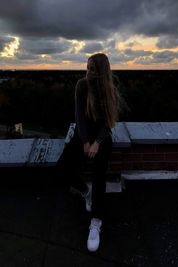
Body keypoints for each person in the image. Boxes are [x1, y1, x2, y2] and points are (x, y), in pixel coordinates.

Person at [57, 53, 124, 252]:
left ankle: (96, 221)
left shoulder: (108, 89)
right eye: (86, 68)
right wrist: (85, 141)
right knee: (62, 169)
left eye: (91, 69)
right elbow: (79, 116)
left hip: (102, 137)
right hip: (83, 134)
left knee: (99, 175)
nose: (87, 72)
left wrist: (96, 143)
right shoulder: (81, 86)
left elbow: (108, 122)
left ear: (101, 71)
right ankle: (86, 193)